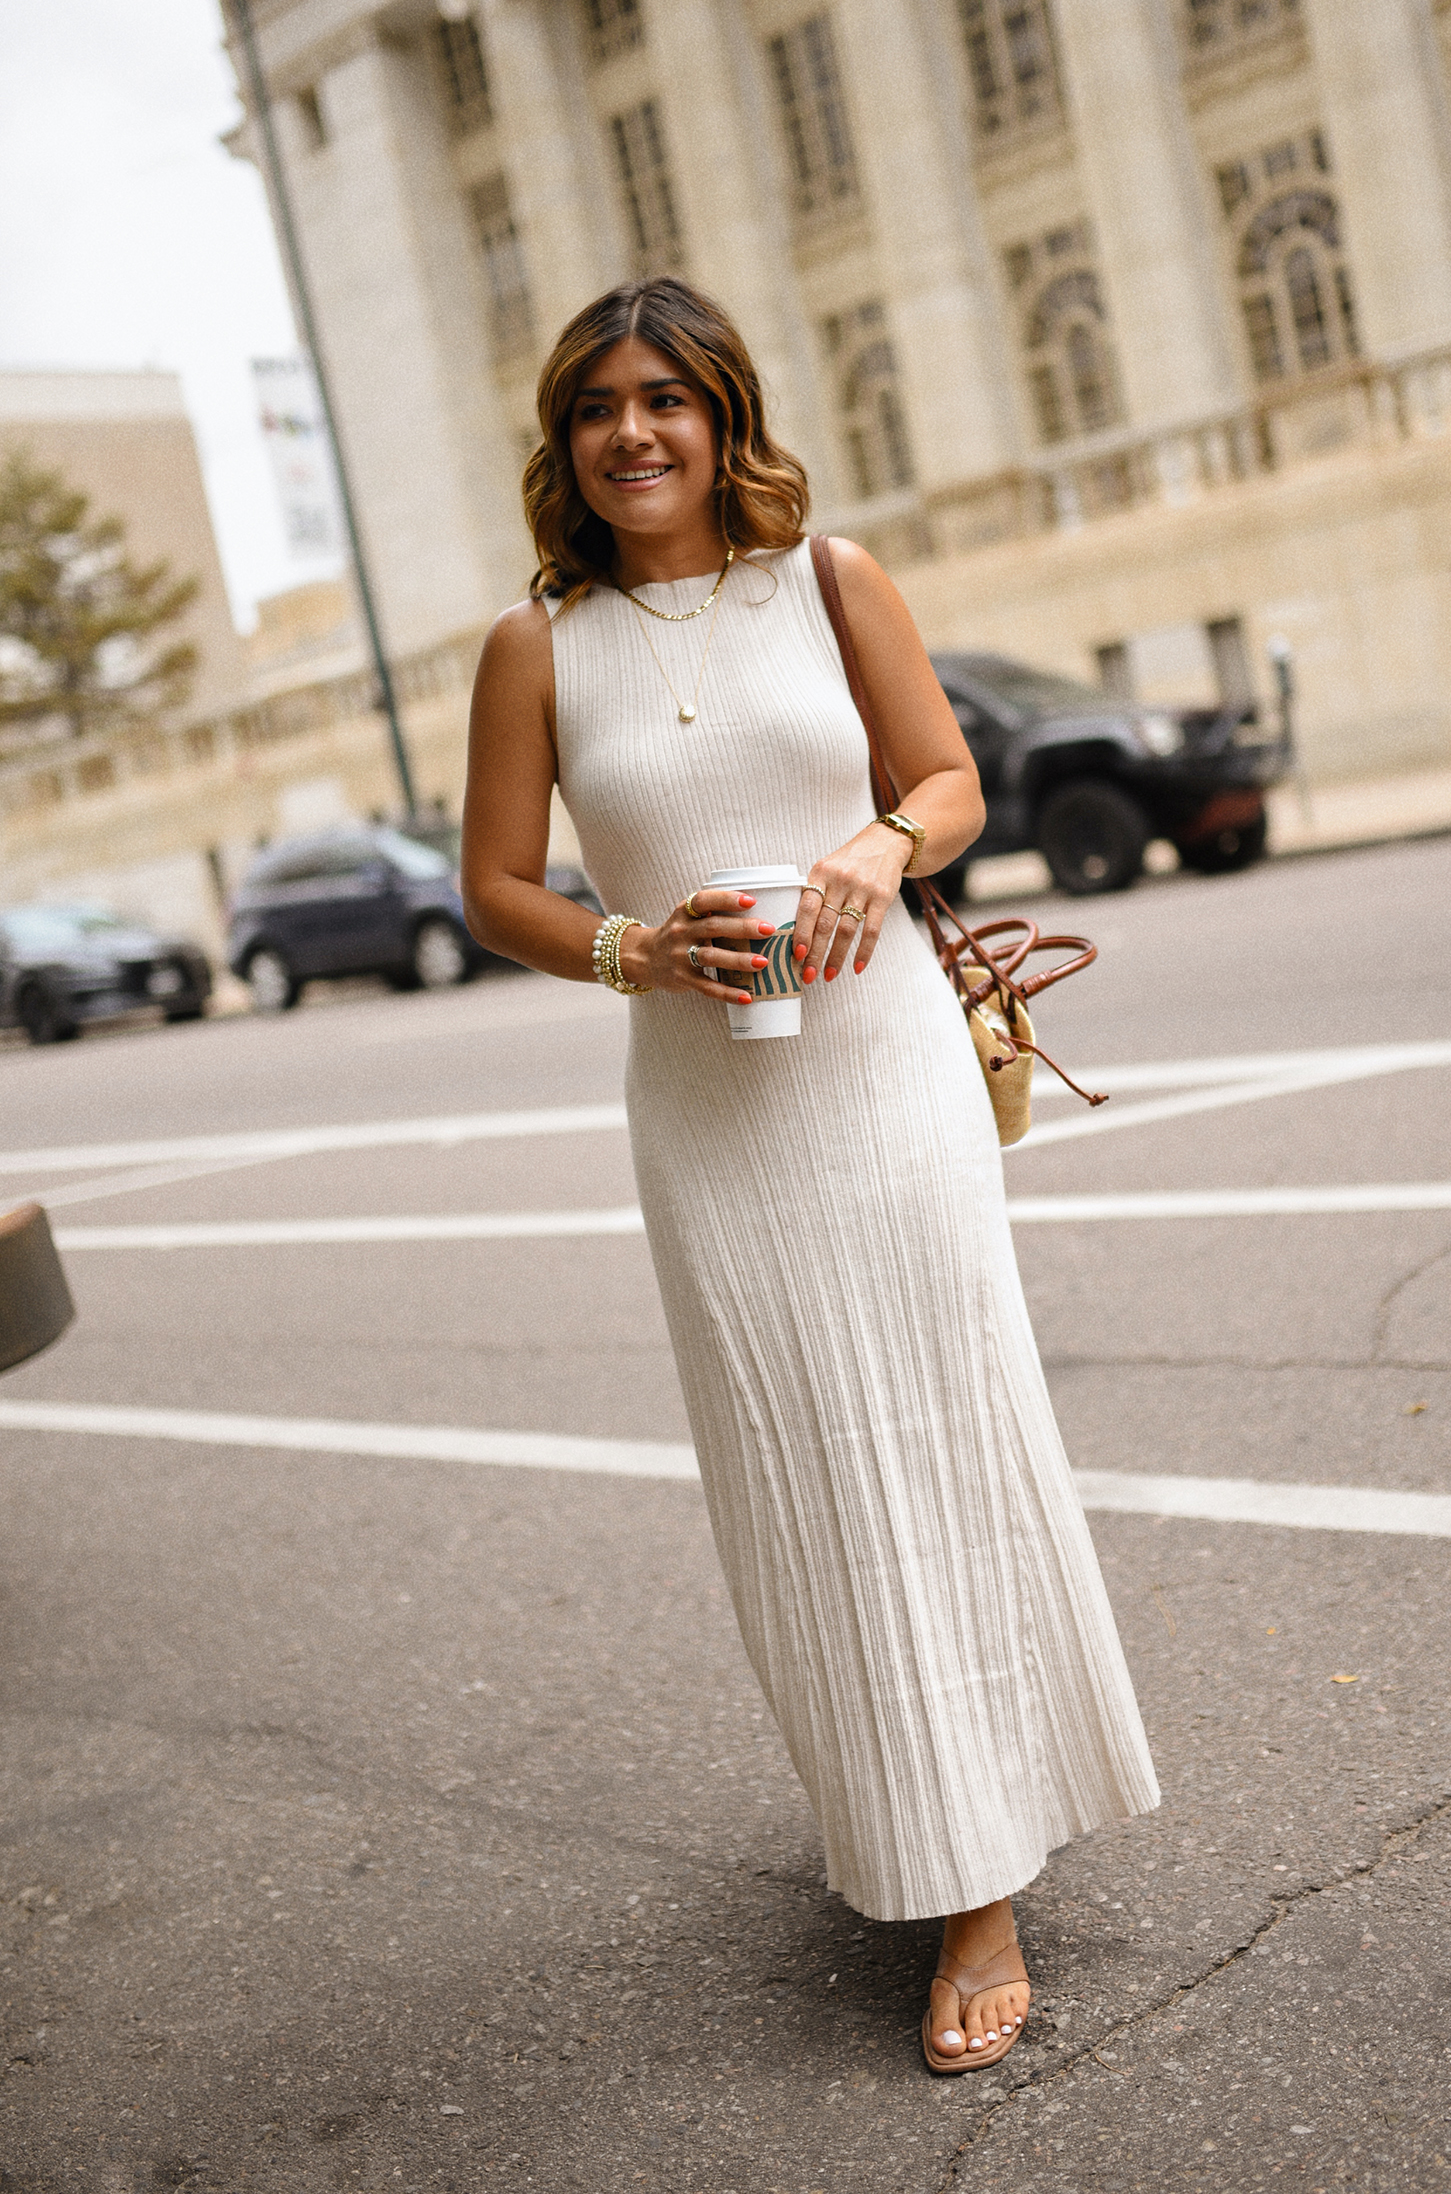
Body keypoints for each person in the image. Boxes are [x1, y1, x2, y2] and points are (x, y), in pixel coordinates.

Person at [461, 277, 1159, 2072]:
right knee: (805, 1460)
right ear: (567, 440)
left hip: (883, 1074)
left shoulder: (830, 580)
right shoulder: (532, 648)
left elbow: (949, 778)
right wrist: (630, 951)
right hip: (704, 1111)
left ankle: (981, 1878)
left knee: (939, 1417)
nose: (633, 431)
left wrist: (866, 844)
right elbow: (497, 888)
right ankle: (906, 1804)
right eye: (599, 405)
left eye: (666, 398)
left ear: (723, 415)